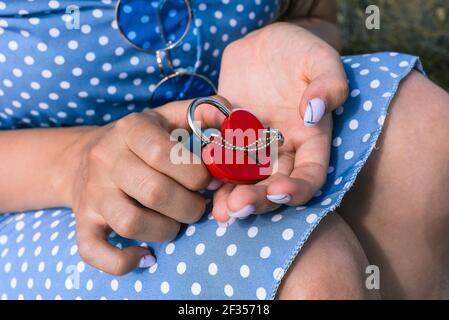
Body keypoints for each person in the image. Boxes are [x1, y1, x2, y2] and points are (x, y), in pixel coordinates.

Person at [0, 0, 448, 300]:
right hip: (36, 189)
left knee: (426, 140)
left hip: (244, 117)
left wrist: (285, 37)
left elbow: (314, 11)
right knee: (308, 275)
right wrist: (76, 162)